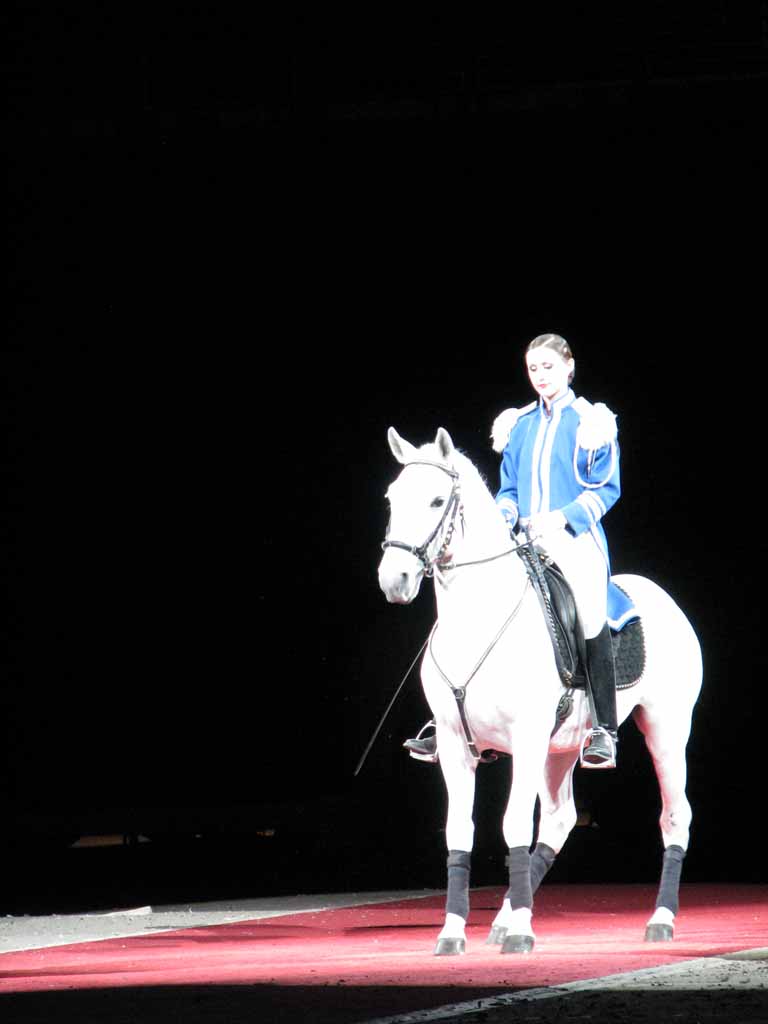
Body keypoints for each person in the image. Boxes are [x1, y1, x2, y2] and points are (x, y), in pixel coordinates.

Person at [404, 332, 622, 769]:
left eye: (549, 367)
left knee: (590, 609)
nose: (541, 376)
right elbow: (509, 489)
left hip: (574, 542)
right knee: (467, 599)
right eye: (533, 369)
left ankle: (603, 728)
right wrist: (505, 513)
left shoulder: (592, 421)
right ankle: (445, 719)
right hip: (522, 541)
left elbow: (606, 490)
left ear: (569, 367)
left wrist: (561, 518)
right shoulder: (518, 424)